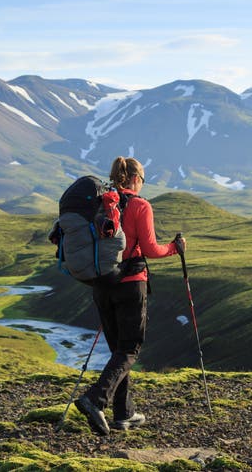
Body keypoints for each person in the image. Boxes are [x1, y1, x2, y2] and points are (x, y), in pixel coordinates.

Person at [75, 156, 185, 435]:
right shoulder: (140, 205)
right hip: (131, 283)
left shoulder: (98, 204)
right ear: (136, 179)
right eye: (143, 179)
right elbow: (150, 249)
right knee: (130, 348)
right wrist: (174, 247)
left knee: (118, 351)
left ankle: (124, 414)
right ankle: (95, 399)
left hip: (101, 285)